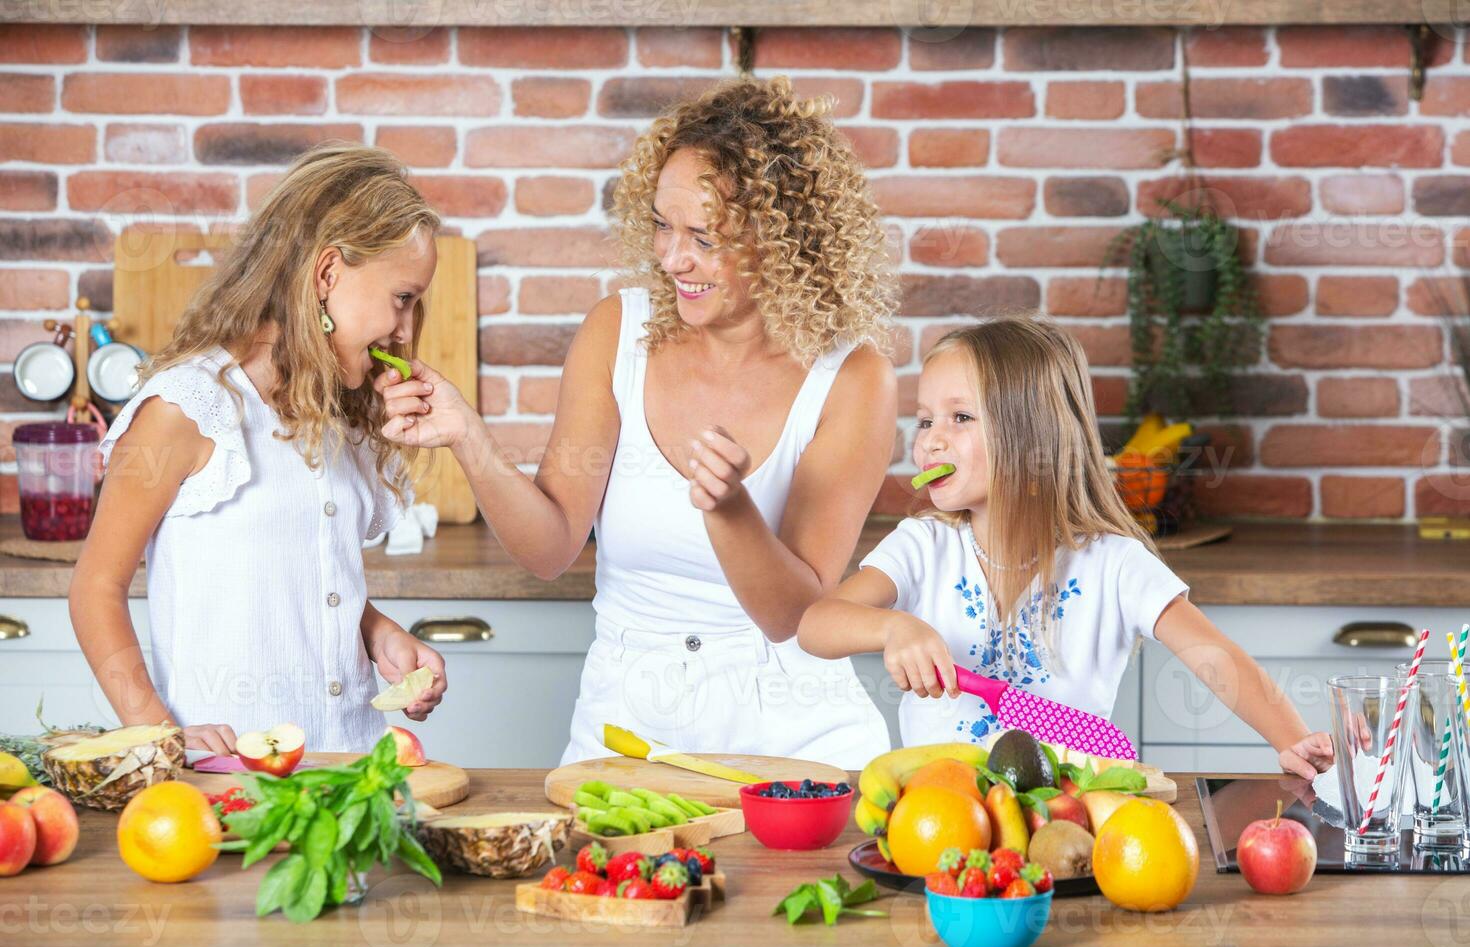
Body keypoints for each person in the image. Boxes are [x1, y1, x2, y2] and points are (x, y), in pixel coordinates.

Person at [378, 76, 897, 767]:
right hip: (626, 734)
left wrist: (730, 510)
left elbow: (793, 618)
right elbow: (550, 547)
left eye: (705, 237)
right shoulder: (618, 331)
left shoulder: (853, 378)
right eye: (662, 224)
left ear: (783, 239)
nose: (672, 258)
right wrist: (466, 437)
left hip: (794, 748)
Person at [797, 314, 1334, 781]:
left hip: (1072, 820)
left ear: (1032, 434)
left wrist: (1291, 739)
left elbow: (1215, 657)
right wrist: (893, 627)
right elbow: (816, 625)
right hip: (942, 817)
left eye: (960, 418)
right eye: (924, 420)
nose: (930, 439)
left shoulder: (1113, 564)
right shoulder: (922, 546)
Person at [71, 143, 448, 755]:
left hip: (349, 764)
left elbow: (300, 575)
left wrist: (378, 633)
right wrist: (160, 736)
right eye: (402, 298)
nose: (406, 330)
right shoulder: (188, 407)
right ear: (327, 275)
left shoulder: (344, 414)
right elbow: (95, 587)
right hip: (226, 779)